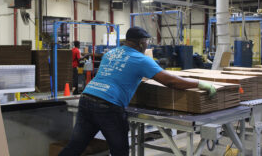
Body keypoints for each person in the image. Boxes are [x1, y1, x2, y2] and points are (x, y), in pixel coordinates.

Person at [59, 27, 216, 156]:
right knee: (119, 151)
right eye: (147, 42)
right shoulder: (141, 59)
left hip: (87, 98)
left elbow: (118, 74)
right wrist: (200, 84)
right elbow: (170, 81)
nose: (147, 45)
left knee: (75, 147)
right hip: (108, 105)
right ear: (141, 43)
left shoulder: (110, 54)